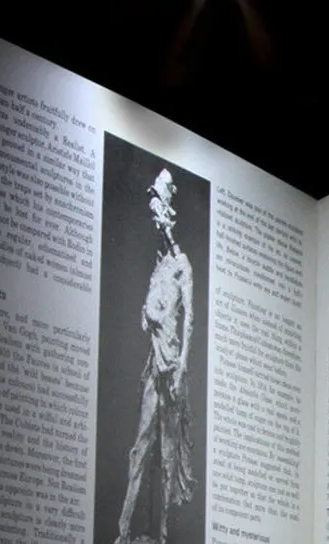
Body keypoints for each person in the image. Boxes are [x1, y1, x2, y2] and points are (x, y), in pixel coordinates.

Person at [116, 168, 196, 544]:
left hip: (172, 367)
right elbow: (147, 319)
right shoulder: (159, 269)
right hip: (154, 365)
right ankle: (122, 533)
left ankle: (162, 535)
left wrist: (182, 369)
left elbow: (190, 319)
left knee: (167, 455)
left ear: (168, 215)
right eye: (154, 212)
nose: (155, 218)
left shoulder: (181, 266)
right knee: (140, 448)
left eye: (159, 210)